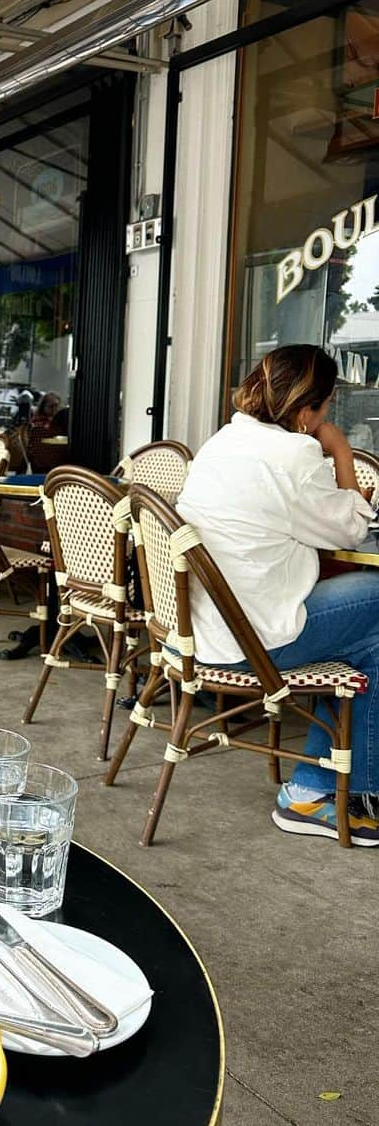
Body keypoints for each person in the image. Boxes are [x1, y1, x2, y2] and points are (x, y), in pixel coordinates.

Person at [176, 344, 379, 845]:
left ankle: (315, 788)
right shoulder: (296, 453)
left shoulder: (223, 440)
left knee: (361, 634)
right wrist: (342, 451)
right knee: (372, 620)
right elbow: (353, 529)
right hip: (253, 642)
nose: (328, 416)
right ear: (307, 410)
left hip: (203, 631)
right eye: (328, 406)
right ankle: (346, 796)